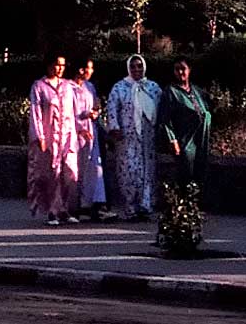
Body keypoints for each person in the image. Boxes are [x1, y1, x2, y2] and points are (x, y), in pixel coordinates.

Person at [104, 54, 162, 220]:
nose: (137, 69)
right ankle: (130, 207)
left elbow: (160, 109)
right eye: (133, 66)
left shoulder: (153, 87)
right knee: (129, 171)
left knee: (147, 170)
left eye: (139, 66)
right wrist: (114, 128)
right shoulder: (120, 87)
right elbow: (112, 108)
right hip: (127, 137)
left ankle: (145, 206)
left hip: (147, 137)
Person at [28, 52, 80, 226]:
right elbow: (35, 112)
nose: (60, 68)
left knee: (69, 172)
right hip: (50, 136)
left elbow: (74, 111)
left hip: (67, 135)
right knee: (51, 174)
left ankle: (64, 208)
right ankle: (52, 210)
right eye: (57, 64)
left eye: (63, 65)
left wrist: (79, 130)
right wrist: (39, 136)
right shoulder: (39, 87)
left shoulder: (68, 86)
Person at [155, 59, 213, 189]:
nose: (180, 72)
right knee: (186, 169)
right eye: (177, 69)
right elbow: (165, 118)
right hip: (185, 139)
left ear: (189, 70)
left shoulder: (197, 91)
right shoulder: (171, 92)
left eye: (183, 68)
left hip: (201, 139)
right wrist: (172, 140)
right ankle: (184, 198)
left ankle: (198, 197)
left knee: (201, 171)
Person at [73, 59, 106, 220]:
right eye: (88, 68)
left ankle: (94, 204)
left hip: (91, 132)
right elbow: (69, 111)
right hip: (75, 133)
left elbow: (94, 107)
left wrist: (94, 113)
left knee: (94, 168)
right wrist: (81, 123)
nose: (90, 71)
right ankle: (76, 205)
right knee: (77, 169)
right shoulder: (69, 88)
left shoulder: (89, 87)